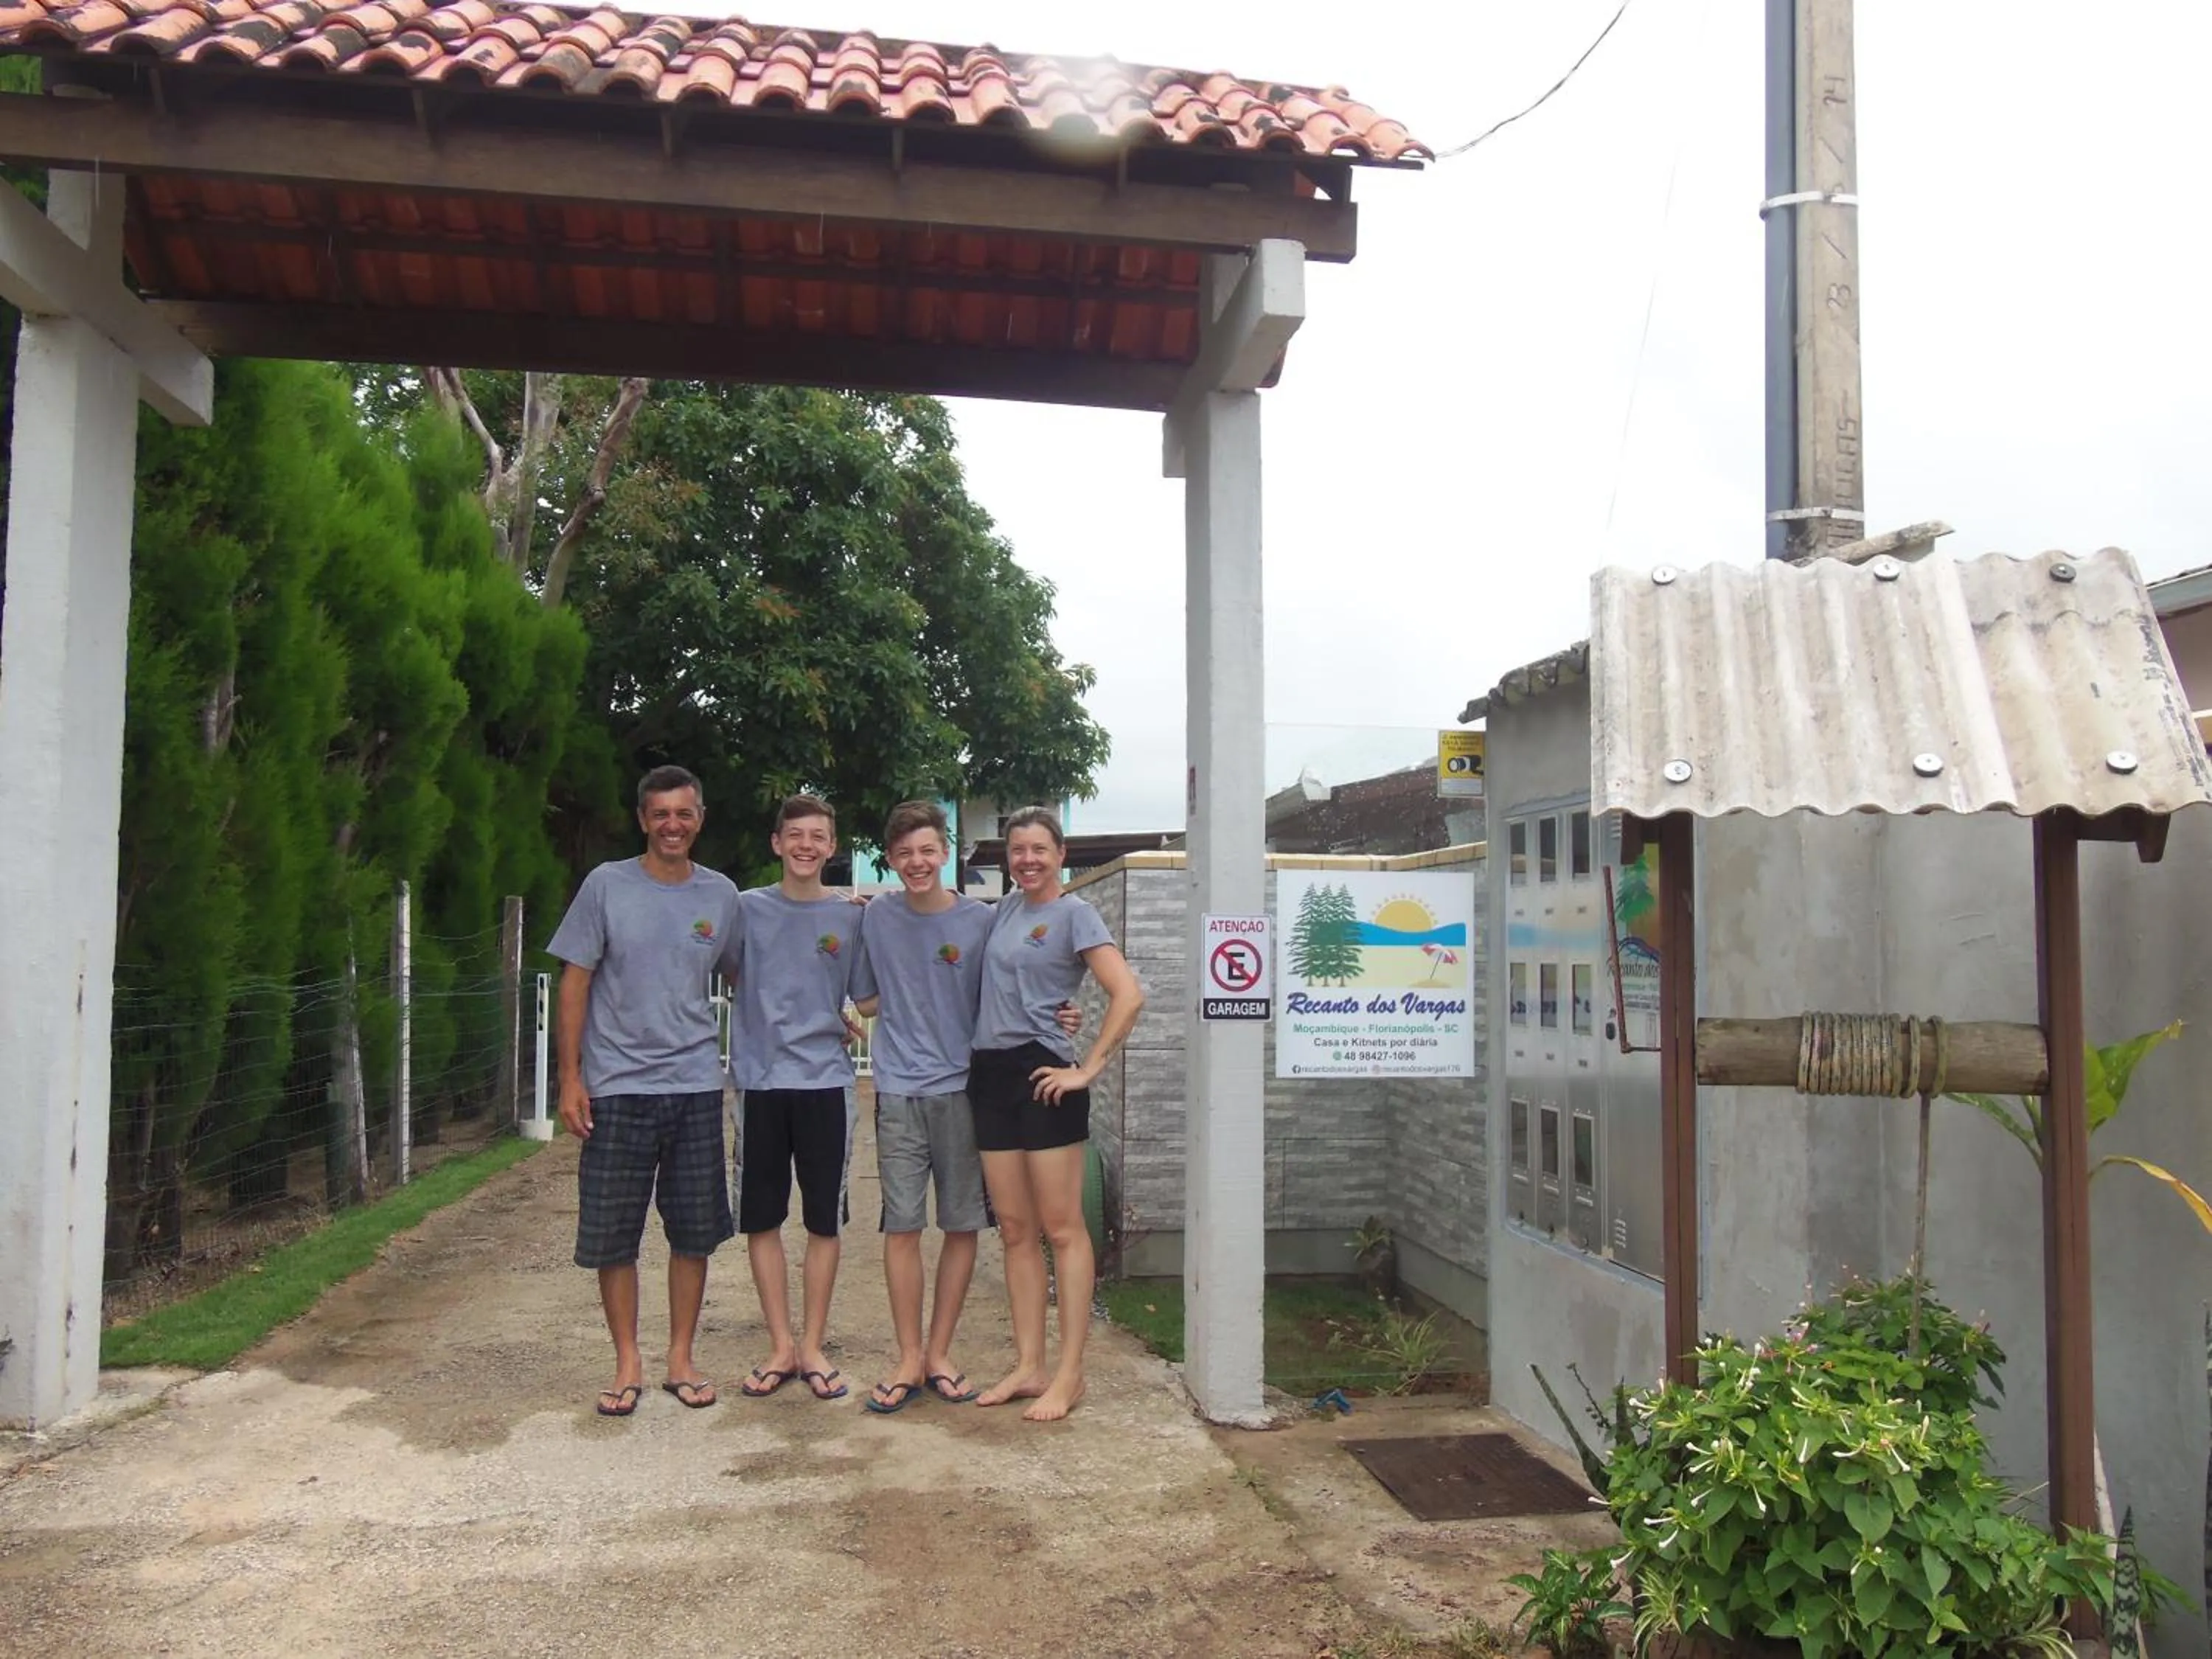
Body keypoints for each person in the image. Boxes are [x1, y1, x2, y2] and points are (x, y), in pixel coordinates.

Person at [845, 800, 1080, 1415]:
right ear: (889, 860)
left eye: (927, 851)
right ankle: (907, 1357)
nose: (916, 863)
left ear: (945, 851)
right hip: (897, 1092)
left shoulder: (983, 919)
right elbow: (865, 1000)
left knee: (960, 1227)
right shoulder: (876, 919)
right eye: (903, 854)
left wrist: (1066, 1015)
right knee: (901, 1226)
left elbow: (1022, 982)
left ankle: (940, 1354)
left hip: (965, 1090)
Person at [548, 764, 739, 1418]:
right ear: (642, 820)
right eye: (660, 814)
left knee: (694, 1231)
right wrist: (571, 1078)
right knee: (613, 1235)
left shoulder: (720, 897)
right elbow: (573, 981)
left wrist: (830, 1009)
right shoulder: (606, 886)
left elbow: (753, 979)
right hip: (617, 1088)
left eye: (684, 813)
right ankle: (627, 1360)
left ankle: (680, 1358)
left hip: (693, 1087)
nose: (672, 825)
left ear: (700, 819)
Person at [969, 805, 1145, 1422]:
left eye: (1040, 849)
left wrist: (1088, 1065)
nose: (1028, 860)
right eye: (1018, 850)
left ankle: (1070, 1374)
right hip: (989, 1075)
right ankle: (1029, 1365)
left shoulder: (1076, 913)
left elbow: (1128, 993)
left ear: (1060, 854)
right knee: (1015, 1230)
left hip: (1045, 1076)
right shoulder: (1006, 910)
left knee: (1062, 1228)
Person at [728, 794, 864, 1402]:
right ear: (777, 843)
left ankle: (813, 1345)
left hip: (826, 1086)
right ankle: (780, 1344)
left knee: (822, 1220)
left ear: (832, 848)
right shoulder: (744, 909)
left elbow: (874, 994)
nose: (807, 845)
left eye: (819, 836)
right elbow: (722, 969)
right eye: (795, 835)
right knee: (761, 1217)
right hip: (759, 1082)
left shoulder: (851, 919)